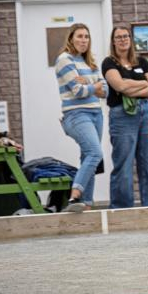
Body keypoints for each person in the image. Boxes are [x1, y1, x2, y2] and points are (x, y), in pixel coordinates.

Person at [55, 23, 108, 212]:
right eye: (79, 36)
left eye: (86, 37)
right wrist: (94, 85)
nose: (83, 40)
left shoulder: (90, 62)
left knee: (88, 156)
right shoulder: (64, 59)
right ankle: (75, 194)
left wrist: (89, 83)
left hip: (96, 114)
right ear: (71, 38)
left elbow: (106, 90)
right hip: (76, 114)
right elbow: (78, 91)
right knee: (95, 153)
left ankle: (86, 203)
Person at [101, 26, 148, 209]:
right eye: (118, 37)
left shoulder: (142, 61)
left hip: (146, 112)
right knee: (123, 164)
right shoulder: (109, 63)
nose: (123, 39)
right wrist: (141, 84)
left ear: (131, 39)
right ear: (113, 41)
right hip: (122, 115)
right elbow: (120, 87)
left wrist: (131, 86)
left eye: (126, 36)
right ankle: (122, 208)